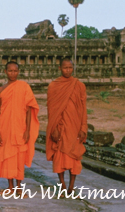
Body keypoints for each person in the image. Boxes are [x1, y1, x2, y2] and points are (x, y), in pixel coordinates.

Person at [0, 61, 39, 197]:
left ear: (18, 72)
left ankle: (19, 188)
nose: (12, 73)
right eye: (10, 71)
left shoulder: (24, 87)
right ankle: (10, 187)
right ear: (5, 72)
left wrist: (27, 130)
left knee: (19, 157)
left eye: (15, 71)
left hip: (20, 127)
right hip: (5, 127)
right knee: (8, 157)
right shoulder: (0, 90)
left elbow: (28, 110)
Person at [46, 58, 87, 197]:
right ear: (59, 68)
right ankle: (62, 185)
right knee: (60, 156)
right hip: (60, 127)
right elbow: (51, 109)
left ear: (73, 68)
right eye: (65, 68)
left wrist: (83, 128)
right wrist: (54, 129)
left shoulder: (79, 85)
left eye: (70, 68)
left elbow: (83, 108)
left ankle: (71, 187)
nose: (68, 70)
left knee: (75, 157)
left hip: (75, 126)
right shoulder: (54, 86)